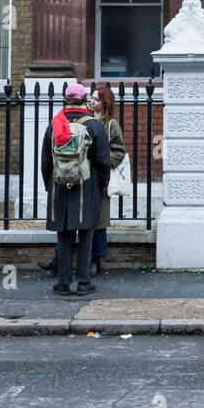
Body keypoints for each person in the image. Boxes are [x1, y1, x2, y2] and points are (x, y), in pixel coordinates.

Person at [40, 82, 110, 294]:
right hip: (87, 187)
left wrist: (48, 185)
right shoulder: (94, 125)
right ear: (83, 100)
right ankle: (83, 282)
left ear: (65, 99)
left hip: (60, 187)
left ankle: (63, 282)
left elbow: (45, 160)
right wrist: (102, 185)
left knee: (64, 234)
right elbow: (103, 161)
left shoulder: (55, 124)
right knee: (86, 233)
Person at [90, 81, 126, 277]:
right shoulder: (85, 120)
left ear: (105, 103)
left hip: (101, 179)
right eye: (92, 98)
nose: (92, 101)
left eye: (96, 99)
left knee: (99, 222)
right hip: (85, 177)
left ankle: (96, 260)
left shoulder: (111, 124)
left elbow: (119, 152)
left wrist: (103, 164)